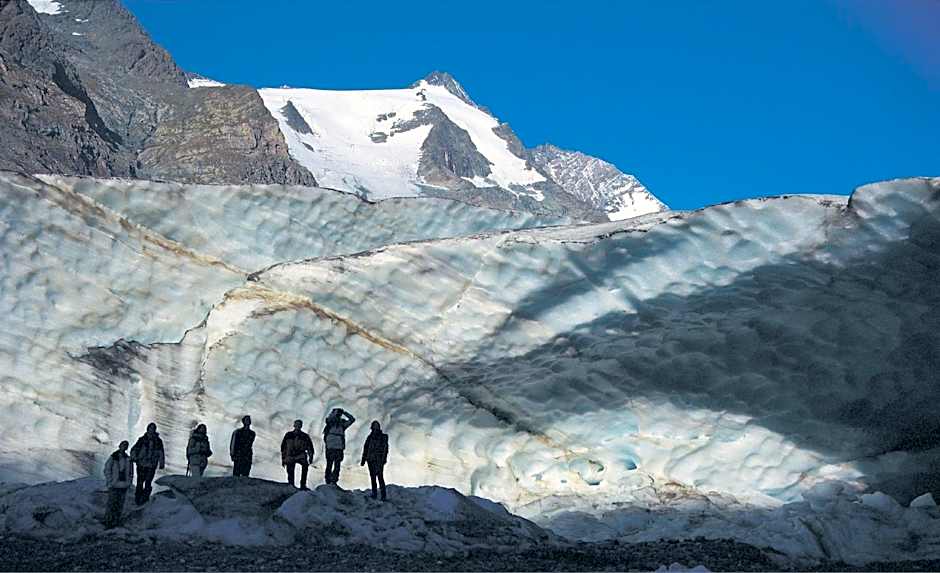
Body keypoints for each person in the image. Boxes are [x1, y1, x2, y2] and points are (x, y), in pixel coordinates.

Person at [129, 422, 165, 505]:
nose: (151, 430)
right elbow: (135, 449)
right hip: (141, 464)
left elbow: (161, 452)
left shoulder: (158, 441)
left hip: (151, 465)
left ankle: (145, 499)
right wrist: (134, 457)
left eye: (153, 428)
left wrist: (161, 462)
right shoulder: (142, 439)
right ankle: (138, 499)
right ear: (148, 429)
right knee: (140, 481)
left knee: (148, 482)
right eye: (150, 428)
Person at [103, 440, 133, 528]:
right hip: (114, 484)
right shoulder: (113, 457)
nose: (124, 447)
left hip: (123, 485)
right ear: (119, 446)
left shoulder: (128, 459)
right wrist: (110, 480)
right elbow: (107, 469)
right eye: (123, 445)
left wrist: (129, 482)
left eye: (125, 446)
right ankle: (108, 521)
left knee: (119, 504)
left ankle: (115, 521)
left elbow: (131, 472)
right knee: (112, 503)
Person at [322, 408, 355, 485]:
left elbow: (352, 419)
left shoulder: (341, 424)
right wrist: (341, 412)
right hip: (333, 447)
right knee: (331, 465)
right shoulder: (330, 423)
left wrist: (344, 412)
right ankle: (329, 480)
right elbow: (351, 419)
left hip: (336, 447)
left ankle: (332, 480)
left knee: (335, 465)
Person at [280, 419, 315, 489]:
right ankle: (291, 484)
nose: (298, 426)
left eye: (299, 424)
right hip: (290, 455)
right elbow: (283, 447)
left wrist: (310, 457)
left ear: (301, 426)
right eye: (297, 424)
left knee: (305, 466)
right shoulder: (288, 435)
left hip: (301, 455)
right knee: (290, 468)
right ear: (294, 425)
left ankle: (303, 484)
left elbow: (310, 448)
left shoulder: (305, 436)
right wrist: (283, 458)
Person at [360, 420, 389, 501]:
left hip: (378, 460)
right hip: (371, 459)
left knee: (379, 477)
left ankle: (382, 495)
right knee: (373, 477)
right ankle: (375, 493)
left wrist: (383, 459)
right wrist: (363, 459)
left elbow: (385, 449)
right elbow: (366, 448)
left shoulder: (383, 437)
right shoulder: (370, 437)